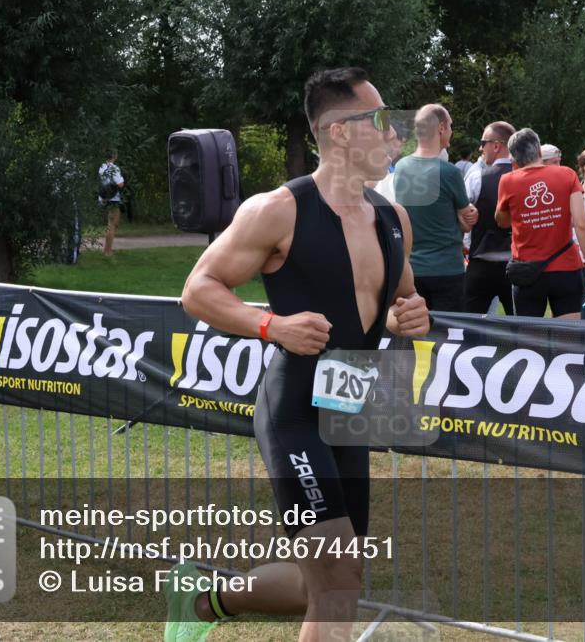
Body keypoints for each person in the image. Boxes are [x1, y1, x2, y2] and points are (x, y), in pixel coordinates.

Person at [173, 67, 431, 642]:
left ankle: (204, 601)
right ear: (340, 133)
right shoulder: (279, 210)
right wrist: (271, 325)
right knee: (337, 579)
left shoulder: (394, 219)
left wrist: (408, 315)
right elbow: (199, 289)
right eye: (380, 120)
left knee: (332, 579)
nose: (393, 135)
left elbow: (394, 301)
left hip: (348, 412)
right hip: (294, 414)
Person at [496, 128, 585, 318]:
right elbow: (582, 225)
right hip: (566, 269)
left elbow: (502, 221)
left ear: (515, 158)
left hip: (527, 271)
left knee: (529, 341)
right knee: (569, 339)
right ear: (538, 151)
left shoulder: (508, 181)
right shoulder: (567, 175)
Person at [393, 104, 478, 311]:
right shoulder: (449, 172)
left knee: (417, 336)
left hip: (412, 270)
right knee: (448, 338)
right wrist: (470, 214)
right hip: (446, 269)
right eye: (450, 126)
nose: (451, 131)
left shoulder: (402, 167)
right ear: (441, 128)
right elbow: (466, 222)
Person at [463, 121, 516, 314]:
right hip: (517, 265)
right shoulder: (524, 177)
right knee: (523, 327)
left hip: (481, 264)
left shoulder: (477, 176)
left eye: (483, 142)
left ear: (496, 145)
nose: (480, 148)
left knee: (469, 325)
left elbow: (460, 212)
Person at [98, 150, 125, 257]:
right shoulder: (114, 168)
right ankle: (108, 251)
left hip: (104, 196)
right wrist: (123, 179)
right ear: (114, 156)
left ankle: (107, 249)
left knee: (111, 223)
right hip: (113, 198)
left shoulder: (102, 167)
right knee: (112, 224)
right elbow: (120, 184)